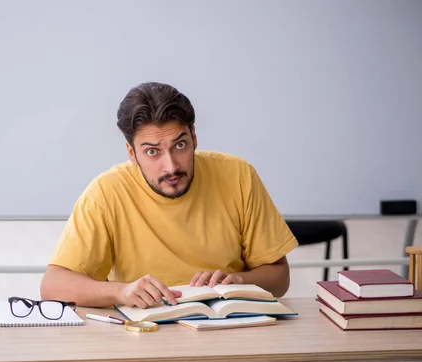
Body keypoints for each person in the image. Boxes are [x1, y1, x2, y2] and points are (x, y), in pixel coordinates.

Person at [40, 82, 298, 309]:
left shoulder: (238, 175)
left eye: (180, 145)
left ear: (194, 137)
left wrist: (240, 281)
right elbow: (53, 286)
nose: (171, 166)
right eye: (152, 152)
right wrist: (122, 291)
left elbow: (279, 277)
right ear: (132, 153)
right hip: (144, 335)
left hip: (230, 328)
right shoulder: (105, 193)